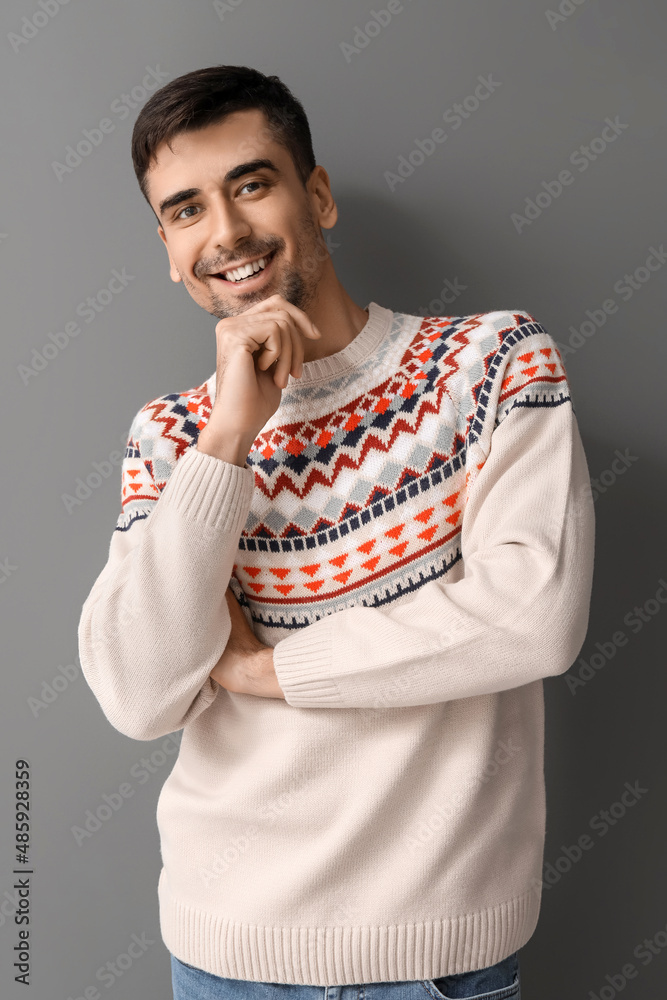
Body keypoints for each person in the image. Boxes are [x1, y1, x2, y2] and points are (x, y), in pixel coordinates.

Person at [77, 64, 595, 1000]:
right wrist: (229, 439)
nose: (225, 233)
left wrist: (261, 671)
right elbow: (138, 692)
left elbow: (535, 614)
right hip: (223, 955)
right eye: (186, 209)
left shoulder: (488, 364)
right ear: (166, 247)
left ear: (315, 194)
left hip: (437, 956)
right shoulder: (171, 436)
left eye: (251, 184)